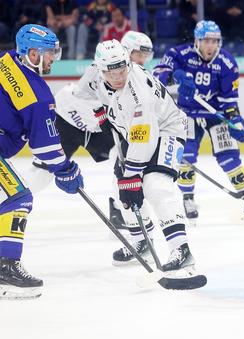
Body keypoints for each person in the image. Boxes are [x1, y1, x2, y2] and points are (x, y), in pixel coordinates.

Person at [91, 39, 204, 280]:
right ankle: (141, 242)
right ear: (100, 70)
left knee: (155, 184)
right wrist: (102, 114)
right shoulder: (99, 79)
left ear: (127, 65)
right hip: (136, 134)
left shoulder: (138, 93)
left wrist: (132, 173)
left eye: (122, 70)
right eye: (112, 73)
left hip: (168, 130)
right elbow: (94, 96)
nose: (118, 77)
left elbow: (146, 136)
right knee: (118, 188)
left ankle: (181, 249)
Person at [27, 31, 154, 231]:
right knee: (44, 171)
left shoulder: (133, 73)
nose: (143, 59)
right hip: (69, 120)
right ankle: (11, 201)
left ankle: (119, 208)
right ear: (126, 52)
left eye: (146, 55)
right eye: (139, 54)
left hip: (97, 128)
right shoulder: (102, 69)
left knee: (124, 160)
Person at [0, 24, 84, 299]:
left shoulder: (7, 60)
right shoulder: (36, 94)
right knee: (19, 198)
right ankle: (6, 269)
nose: (53, 60)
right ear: (33, 54)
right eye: (50, 54)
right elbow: (46, 147)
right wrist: (66, 170)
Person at [153, 20, 244, 222]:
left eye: (215, 41)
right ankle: (187, 197)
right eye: (206, 40)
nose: (211, 46)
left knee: (229, 157)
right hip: (187, 113)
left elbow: (229, 101)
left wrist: (235, 120)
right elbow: (157, 75)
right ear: (197, 41)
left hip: (215, 115)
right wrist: (176, 76)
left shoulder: (227, 62)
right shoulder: (179, 54)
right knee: (186, 157)